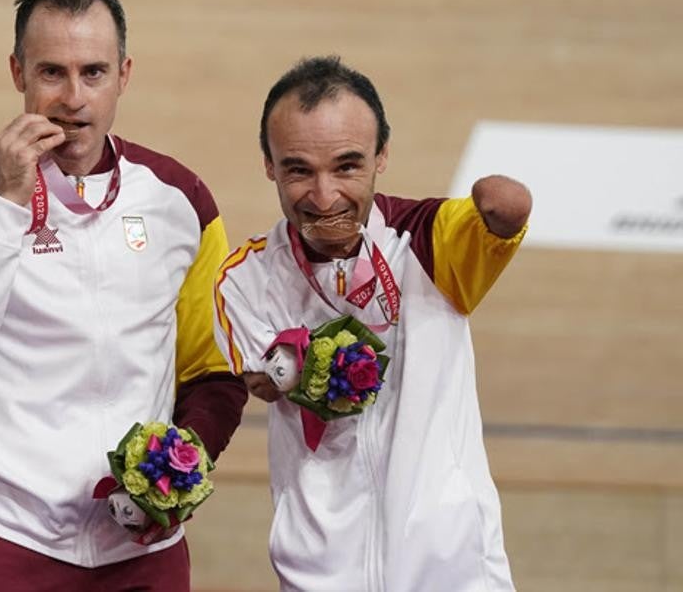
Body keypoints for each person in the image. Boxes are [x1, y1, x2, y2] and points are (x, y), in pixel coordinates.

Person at [0, 0, 248, 591]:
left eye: (93, 72)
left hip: (141, 547)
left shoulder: (179, 199)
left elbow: (212, 369)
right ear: (17, 73)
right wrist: (6, 202)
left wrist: (173, 476)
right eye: (51, 73)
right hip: (0, 537)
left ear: (125, 74)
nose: (73, 98)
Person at [213, 56, 531, 591]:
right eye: (298, 169)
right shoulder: (245, 279)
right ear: (268, 164)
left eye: (346, 166)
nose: (324, 195)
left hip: (451, 570)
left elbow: (509, 209)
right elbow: (261, 382)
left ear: (382, 155)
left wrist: (498, 204)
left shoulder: (429, 241)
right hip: (320, 574)